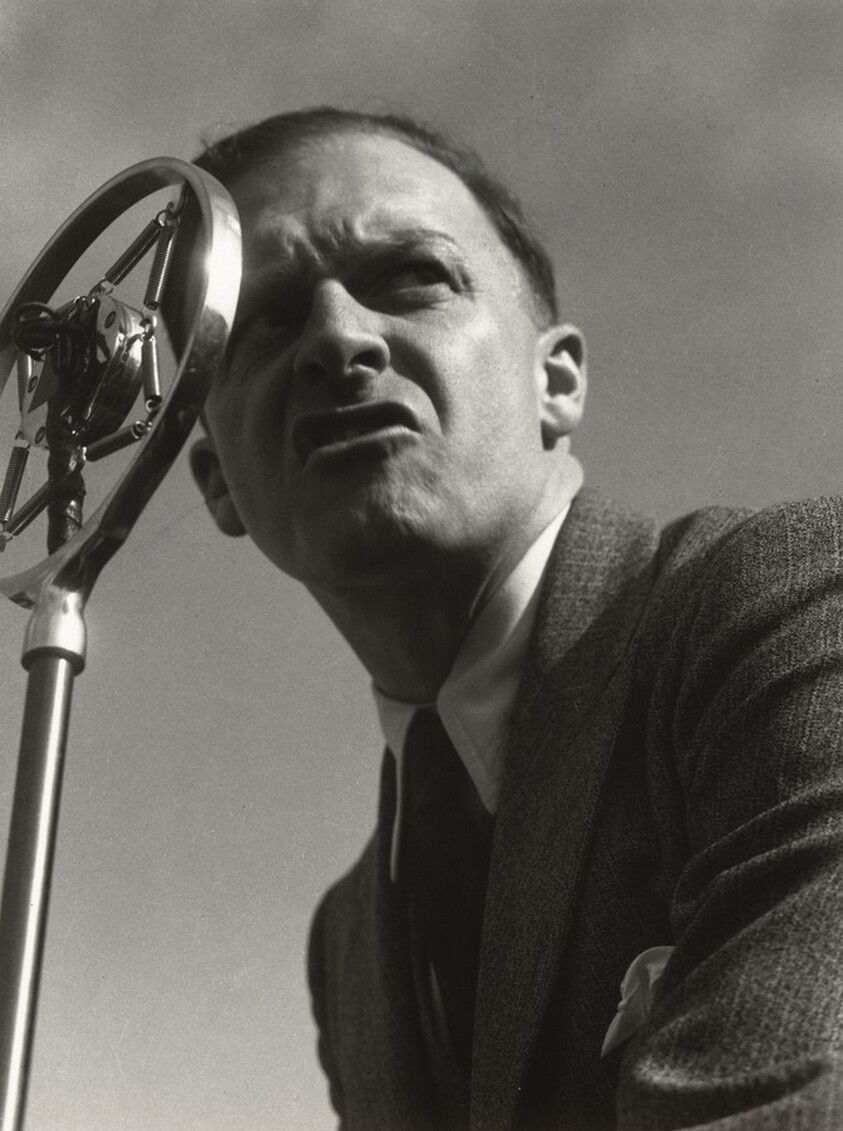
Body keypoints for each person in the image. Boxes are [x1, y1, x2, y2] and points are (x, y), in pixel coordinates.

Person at [182, 108, 843, 1130]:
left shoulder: (785, 609)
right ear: (216, 479)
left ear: (558, 379)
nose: (338, 340)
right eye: (266, 321)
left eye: (411, 277)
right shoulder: (348, 944)